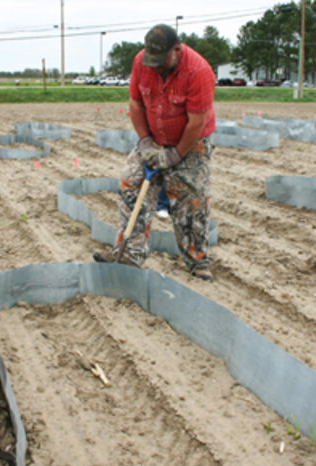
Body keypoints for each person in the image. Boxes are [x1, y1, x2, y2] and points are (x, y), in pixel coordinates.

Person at [93, 24, 216, 281]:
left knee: (191, 200)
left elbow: (196, 124)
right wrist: (146, 142)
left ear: (177, 50)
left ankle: (197, 261)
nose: (156, 66)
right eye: (153, 61)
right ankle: (128, 253)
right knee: (131, 184)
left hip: (191, 142)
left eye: (162, 61)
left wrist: (175, 155)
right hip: (154, 136)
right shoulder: (141, 62)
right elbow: (136, 104)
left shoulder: (199, 71)